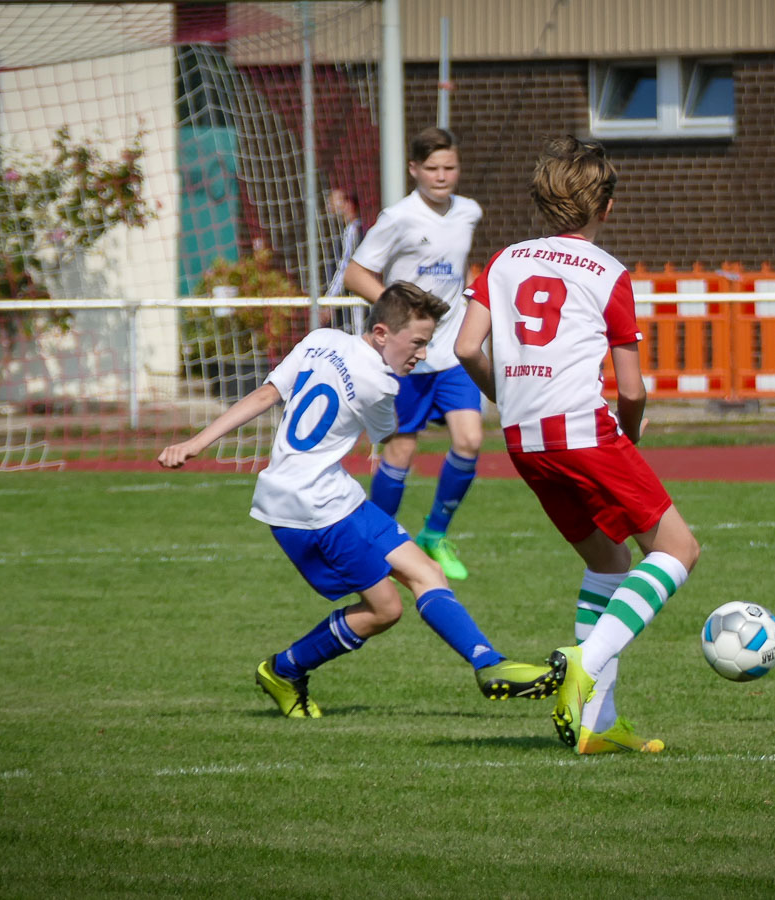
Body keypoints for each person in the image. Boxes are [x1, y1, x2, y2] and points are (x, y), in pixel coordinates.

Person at [157, 281, 560, 718]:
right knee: (385, 609)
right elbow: (387, 434)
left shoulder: (321, 339)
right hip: (314, 511)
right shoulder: (381, 384)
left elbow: (265, 395)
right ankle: (284, 669)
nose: (422, 355)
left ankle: (490, 664)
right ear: (383, 333)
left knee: (426, 572)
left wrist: (196, 443)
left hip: (326, 495)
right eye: (419, 343)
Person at [455, 136, 700, 755]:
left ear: (540, 203)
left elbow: (464, 349)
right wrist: (632, 433)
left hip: (523, 439)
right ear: (606, 208)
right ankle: (584, 662)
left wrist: (505, 398)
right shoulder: (610, 273)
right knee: (678, 549)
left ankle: (596, 725)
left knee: (608, 566)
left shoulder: (505, 260)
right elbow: (633, 388)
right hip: (583, 430)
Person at [344, 127, 484, 581]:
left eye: (450, 167)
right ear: (414, 170)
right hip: (409, 355)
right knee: (400, 450)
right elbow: (356, 273)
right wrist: (400, 309)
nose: (442, 176)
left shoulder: (468, 212)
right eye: (432, 168)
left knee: (469, 440)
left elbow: (458, 267)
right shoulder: (398, 217)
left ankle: (433, 535)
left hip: (453, 349)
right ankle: (376, 543)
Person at [324, 187, 363, 300]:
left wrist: (330, 299)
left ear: (348, 204)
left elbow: (345, 266)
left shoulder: (353, 231)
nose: (329, 205)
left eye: (333, 200)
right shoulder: (348, 230)